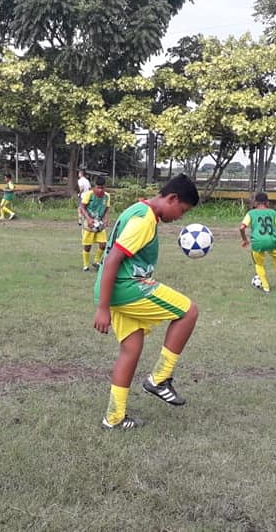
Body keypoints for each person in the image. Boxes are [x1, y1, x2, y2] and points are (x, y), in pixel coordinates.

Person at [93, 174, 200, 430]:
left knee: (131, 350)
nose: (180, 217)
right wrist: (102, 308)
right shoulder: (144, 220)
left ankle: (114, 418)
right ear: (172, 198)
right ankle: (159, 378)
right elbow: (113, 259)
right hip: (126, 287)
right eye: (182, 210)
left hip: (115, 289)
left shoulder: (138, 209)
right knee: (188, 311)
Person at [239, 192, 276, 294]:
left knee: (259, 264)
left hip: (258, 242)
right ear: (267, 203)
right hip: (272, 241)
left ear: (255, 203)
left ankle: (266, 287)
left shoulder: (250, 213)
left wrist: (245, 240)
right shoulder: (273, 213)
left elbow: (241, 227)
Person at [79, 176, 111, 271]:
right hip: (89, 222)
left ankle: (96, 261)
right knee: (87, 245)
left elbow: (107, 208)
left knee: (103, 244)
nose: (100, 190)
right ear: (94, 187)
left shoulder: (107, 196)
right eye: (98, 187)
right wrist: (88, 219)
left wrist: (106, 219)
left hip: (99, 222)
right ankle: (85, 265)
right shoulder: (89, 194)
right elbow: (82, 207)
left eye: (102, 188)